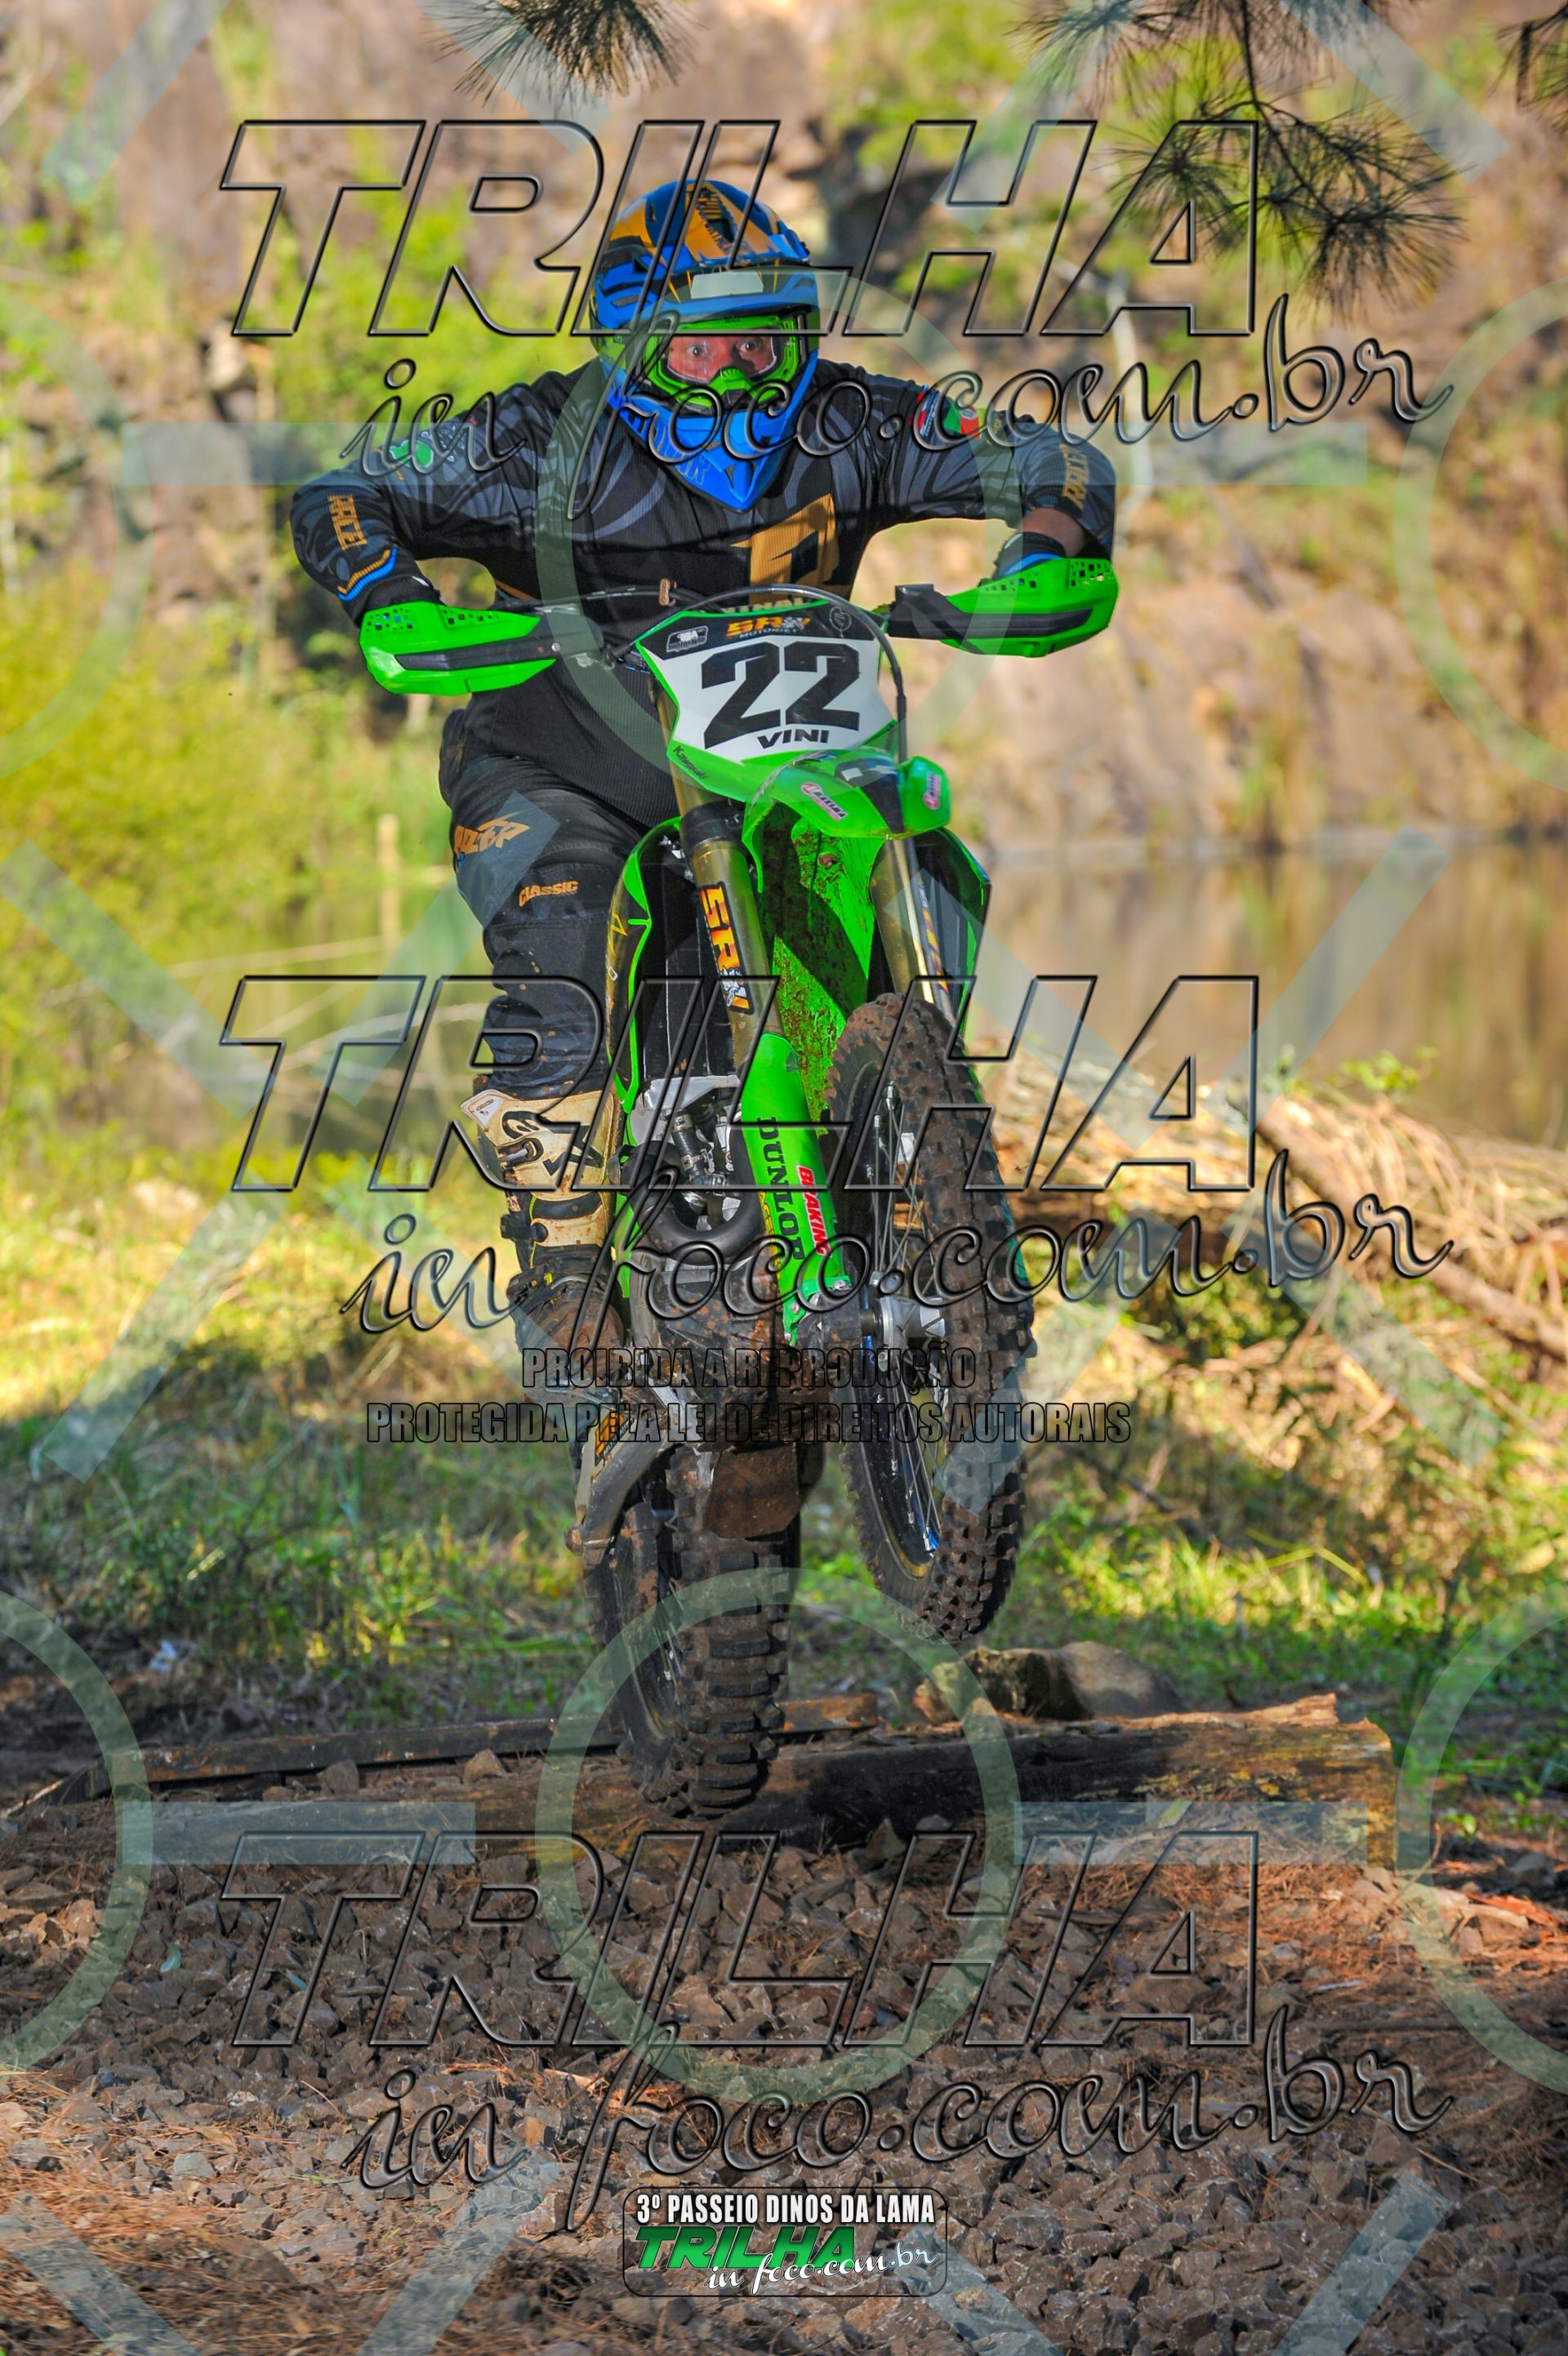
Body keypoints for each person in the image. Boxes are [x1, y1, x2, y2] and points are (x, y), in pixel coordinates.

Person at [291, 178, 1116, 1354]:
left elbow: (1053, 456)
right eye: (703, 343)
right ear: (635, 345)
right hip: (564, 766)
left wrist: (1041, 555)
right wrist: (394, 597)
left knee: (912, 851)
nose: (738, 370)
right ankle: (566, 1280)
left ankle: (910, 1145)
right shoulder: (535, 441)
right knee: (563, 981)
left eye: (765, 338)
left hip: (790, 771)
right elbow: (346, 490)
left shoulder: (848, 420)